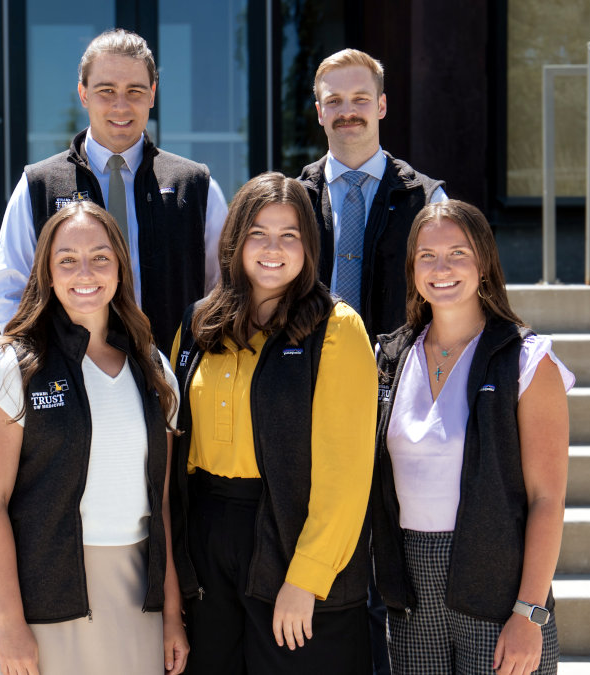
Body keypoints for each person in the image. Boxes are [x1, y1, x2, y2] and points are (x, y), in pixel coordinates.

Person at [168, 172, 377, 674]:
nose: (273, 248)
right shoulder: (198, 325)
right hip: (208, 537)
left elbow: (346, 476)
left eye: (290, 236)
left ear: (309, 245)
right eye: (258, 233)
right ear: (235, 241)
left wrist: (306, 578)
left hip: (291, 535)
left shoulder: (337, 329)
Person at [0, 200, 188, 675]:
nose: (84, 271)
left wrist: (172, 614)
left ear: (120, 269)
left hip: (138, 597)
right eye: (67, 259)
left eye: (100, 257)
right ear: (47, 273)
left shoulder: (154, 370)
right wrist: (8, 621)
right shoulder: (11, 371)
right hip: (42, 601)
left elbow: (164, 503)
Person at [371, 200, 573, 675]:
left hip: (499, 589)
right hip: (411, 591)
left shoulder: (526, 360)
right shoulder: (389, 357)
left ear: (483, 262)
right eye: (427, 256)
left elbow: (548, 499)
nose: (441, 268)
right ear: (412, 267)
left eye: (457, 253)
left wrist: (529, 612)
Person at [0, 28, 228, 351]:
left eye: (135, 91)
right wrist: (48, 369)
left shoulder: (198, 187)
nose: (121, 106)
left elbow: (223, 291)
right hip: (75, 387)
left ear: (152, 94)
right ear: (83, 93)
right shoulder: (38, 186)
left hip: (172, 386)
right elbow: (9, 295)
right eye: (106, 90)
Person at [298, 48, 447, 339]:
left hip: (398, 373)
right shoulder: (295, 199)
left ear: (381, 106)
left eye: (360, 99)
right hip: (310, 372)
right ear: (320, 113)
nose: (347, 111)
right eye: (334, 101)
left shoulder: (428, 200)